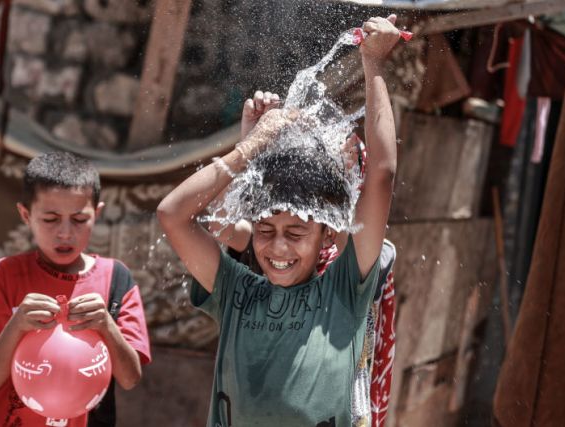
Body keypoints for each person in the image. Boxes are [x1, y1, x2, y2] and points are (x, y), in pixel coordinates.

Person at [157, 15, 401, 426]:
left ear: (328, 228)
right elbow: (175, 214)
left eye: (296, 232)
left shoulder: (343, 291)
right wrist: (252, 145)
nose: (278, 247)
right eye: (265, 231)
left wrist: (373, 64)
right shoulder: (238, 293)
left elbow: (381, 173)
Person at [0, 152, 151, 427]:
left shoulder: (117, 279)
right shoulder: (5, 274)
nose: (65, 232)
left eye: (79, 220)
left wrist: (106, 325)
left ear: (97, 214)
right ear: (25, 214)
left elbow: (130, 378)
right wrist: (17, 325)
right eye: (50, 219)